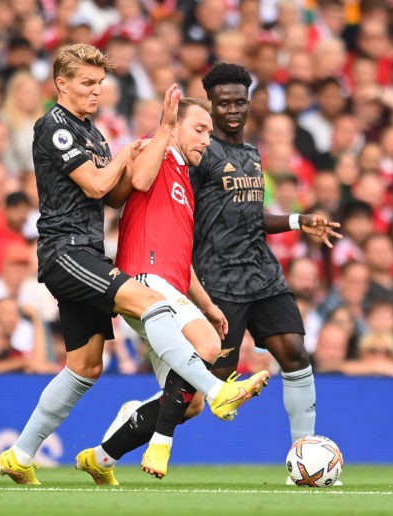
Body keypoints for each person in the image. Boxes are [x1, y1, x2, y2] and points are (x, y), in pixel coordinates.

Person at [0, 44, 272, 486]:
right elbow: (98, 183)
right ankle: (218, 389)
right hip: (66, 251)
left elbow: (119, 193)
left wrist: (126, 156)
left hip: (89, 253)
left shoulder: (94, 135)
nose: (96, 91)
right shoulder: (56, 127)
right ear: (61, 83)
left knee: (85, 367)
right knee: (147, 299)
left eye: (100, 84)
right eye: (87, 83)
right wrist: (134, 150)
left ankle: (20, 455)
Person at [101, 62, 342, 486]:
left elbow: (247, 216)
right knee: (200, 388)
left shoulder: (251, 154)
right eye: (224, 103)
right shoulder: (196, 151)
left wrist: (296, 220)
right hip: (217, 277)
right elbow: (164, 192)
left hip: (262, 273)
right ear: (210, 106)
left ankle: (304, 463)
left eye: (240, 101)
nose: (233, 109)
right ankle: (132, 425)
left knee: (296, 355)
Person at [76, 94, 260, 484]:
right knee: (207, 347)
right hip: (143, 279)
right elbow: (138, 180)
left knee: (186, 404)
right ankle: (169, 434)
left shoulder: (185, 185)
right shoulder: (156, 148)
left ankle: (101, 457)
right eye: (198, 129)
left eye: (209, 133)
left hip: (168, 284)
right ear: (175, 126)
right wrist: (162, 128)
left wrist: (207, 304)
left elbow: (182, 260)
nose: (206, 140)